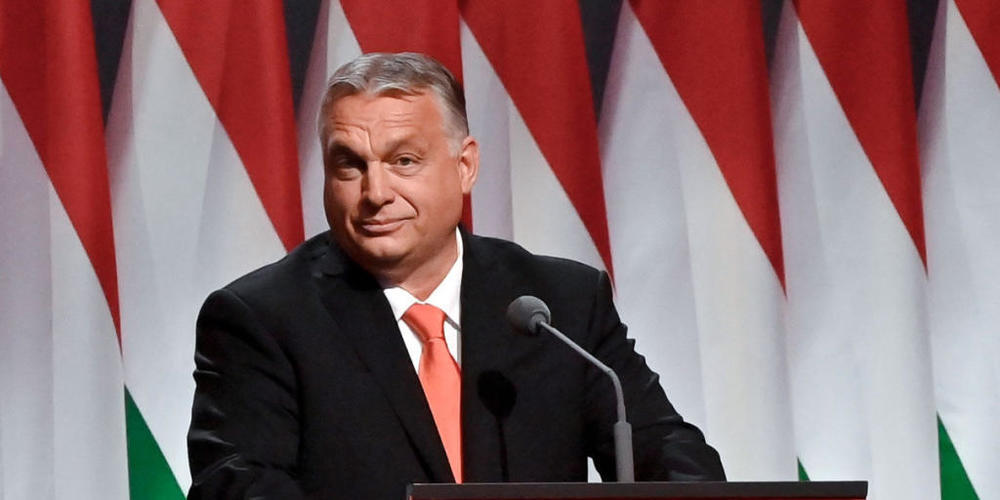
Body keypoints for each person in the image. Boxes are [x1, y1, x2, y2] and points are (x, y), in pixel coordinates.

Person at [187, 52, 724, 499]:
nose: (375, 194)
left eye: (403, 162)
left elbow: (664, 448)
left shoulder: (558, 302)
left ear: (464, 166)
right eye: (350, 165)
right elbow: (238, 487)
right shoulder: (264, 318)